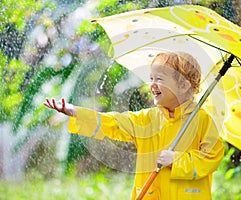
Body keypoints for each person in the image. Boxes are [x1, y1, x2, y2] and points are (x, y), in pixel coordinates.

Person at [44, 51, 224, 199]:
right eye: (151, 78)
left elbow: (211, 158)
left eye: (159, 79)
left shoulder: (202, 120)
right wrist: (76, 111)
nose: (152, 84)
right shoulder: (147, 118)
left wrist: (175, 159)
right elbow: (114, 122)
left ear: (184, 85)